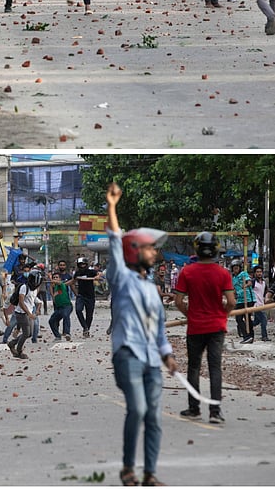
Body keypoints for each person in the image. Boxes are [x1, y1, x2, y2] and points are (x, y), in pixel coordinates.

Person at [104, 182, 179, 487]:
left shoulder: (152, 289)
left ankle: (149, 473)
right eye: (149, 247)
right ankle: (127, 468)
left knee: (155, 417)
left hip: (151, 359)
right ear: (134, 251)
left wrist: (168, 355)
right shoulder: (120, 277)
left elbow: (159, 330)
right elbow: (113, 240)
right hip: (128, 355)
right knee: (137, 409)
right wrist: (112, 206)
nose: (154, 252)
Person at [172, 232, 235, 425]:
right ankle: (215, 412)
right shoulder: (223, 273)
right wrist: (222, 314)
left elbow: (178, 301)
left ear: (196, 248)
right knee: (215, 368)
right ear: (216, 248)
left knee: (194, 367)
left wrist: (189, 314)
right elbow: (231, 301)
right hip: (217, 327)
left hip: (196, 326)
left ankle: (194, 409)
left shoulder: (187, 272)